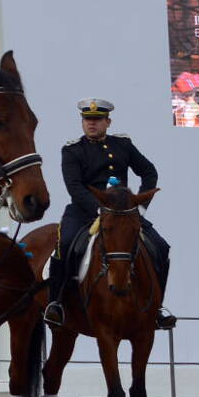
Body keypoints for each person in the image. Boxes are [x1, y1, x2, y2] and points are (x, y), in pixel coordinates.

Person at [46, 99, 171, 329]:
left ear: (108, 122)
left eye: (97, 120)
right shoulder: (72, 150)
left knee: (161, 247)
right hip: (84, 212)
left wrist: (139, 207)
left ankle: (158, 307)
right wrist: (99, 209)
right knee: (65, 244)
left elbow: (148, 172)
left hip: (123, 213)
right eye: (87, 120)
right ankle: (57, 303)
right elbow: (74, 186)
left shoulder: (122, 144)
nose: (91, 124)